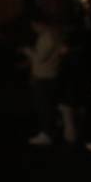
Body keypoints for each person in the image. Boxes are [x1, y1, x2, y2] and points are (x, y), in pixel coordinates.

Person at [22, 16, 66, 145]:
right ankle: (50, 130)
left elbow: (39, 57)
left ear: (39, 23)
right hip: (49, 74)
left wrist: (27, 50)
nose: (34, 29)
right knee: (48, 105)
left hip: (44, 76)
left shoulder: (48, 37)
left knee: (44, 106)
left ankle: (47, 133)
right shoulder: (54, 34)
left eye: (34, 26)